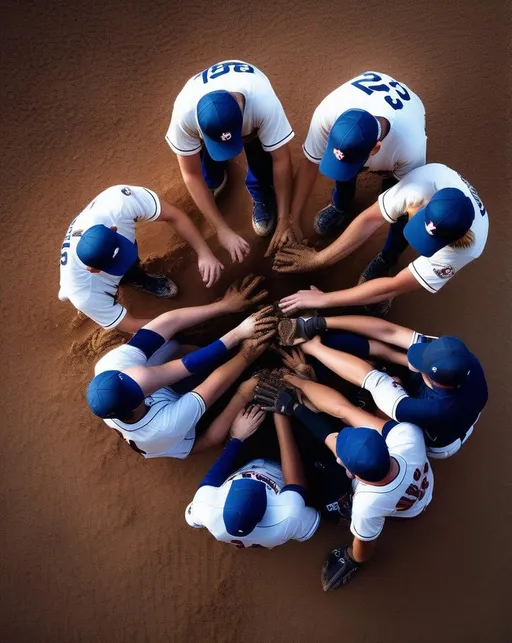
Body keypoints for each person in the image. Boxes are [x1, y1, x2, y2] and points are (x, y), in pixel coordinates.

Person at [254, 375, 433, 590]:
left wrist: (352, 558)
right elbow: (337, 427)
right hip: (422, 487)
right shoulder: (408, 436)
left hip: (403, 512)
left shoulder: (366, 505)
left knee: (337, 506)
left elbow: (364, 547)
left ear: (354, 474)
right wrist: (296, 406)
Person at [87, 277, 276, 459]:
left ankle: (204, 340)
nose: (132, 375)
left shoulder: (109, 367)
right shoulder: (165, 427)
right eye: (136, 384)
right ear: (138, 400)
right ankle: (240, 394)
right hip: (187, 435)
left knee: (171, 345)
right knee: (219, 424)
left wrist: (224, 307)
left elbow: (168, 324)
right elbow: (214, 384)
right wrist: (246, 355)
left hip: (161, 406)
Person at [276, 163, 489, 317]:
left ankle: (386, 260)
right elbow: (370, 219)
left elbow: (394, 286)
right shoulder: (420, 185)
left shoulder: (464, 250)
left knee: (394, 259)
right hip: (427, 191)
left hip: (454, 238)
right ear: (425, 202)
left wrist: (325, 299)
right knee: (401, 219)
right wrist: (321, 259)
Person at [281, 314, 487, 459]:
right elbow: (392, 332)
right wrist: (318, 323)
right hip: (460, 408)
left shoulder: (424, 408)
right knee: (394, 365)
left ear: (434, 379)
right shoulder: (460, 358)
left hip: (436, 441)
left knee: (374, 420)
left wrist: (314, 348)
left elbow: (367, 376)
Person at [166, 60, 295, 260]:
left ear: (242, 110)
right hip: (205, 123)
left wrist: (284, 218)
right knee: (207, 171)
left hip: (251, 111)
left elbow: (281, 160)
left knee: (260, 156)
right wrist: (221, 229)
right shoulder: (184, 115)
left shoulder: (263, 103)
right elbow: (191, 174)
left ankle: (260, 192)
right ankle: (215, 179)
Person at [59, 184, 224, 332]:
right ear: (94, 270)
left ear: (114, 229)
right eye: (116, 264)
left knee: (130, 268)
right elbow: (131, 326)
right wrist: (179, 327)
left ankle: (137, 277)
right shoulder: (83, 291)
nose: (124, 261)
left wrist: (205, 253)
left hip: (88, 240)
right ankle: (127, 281)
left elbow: (174, 216)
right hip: (81, 283)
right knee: (71, 295)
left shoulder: (118, 202)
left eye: (123, 252)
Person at [285, 71, 426, 239]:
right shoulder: (327, 114)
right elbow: (310, 163)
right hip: (370, 90)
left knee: (392, 190)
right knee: (346, 168)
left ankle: (381, 194)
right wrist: (291, 221)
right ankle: (341, 206)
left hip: (411, 107)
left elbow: (407, 195)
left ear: (375, 149)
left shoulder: (410, 147)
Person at [185, 402, 320, 548]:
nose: (253, 477)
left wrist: (237, 438)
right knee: (310, 435)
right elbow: (298, 486)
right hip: (283, 470)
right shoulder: (288, 517)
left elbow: (218, 471)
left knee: (249, 413)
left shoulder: (204, 506)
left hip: (248, 461)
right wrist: (280, 417)